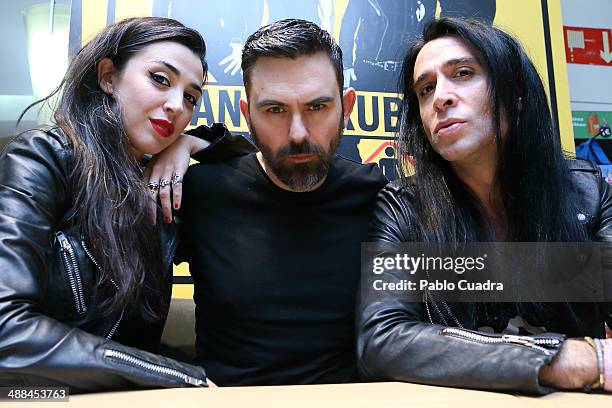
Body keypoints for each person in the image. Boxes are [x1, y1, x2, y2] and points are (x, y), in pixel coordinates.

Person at [357, 17, 612, 394]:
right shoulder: (403, 208)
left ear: (516, 94)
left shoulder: (586, 192)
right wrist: (563, 358)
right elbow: (383, 338)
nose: (440, 97)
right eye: (425, 89)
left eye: (462, 73)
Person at [0, 17, 234, 392]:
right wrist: (171, 375)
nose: (177, 106)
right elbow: (7, 329)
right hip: (39, 395)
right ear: (108, 76)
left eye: (191, 97)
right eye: (160, 79)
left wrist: (191, 144)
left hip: (132, 396)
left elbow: (261, 172)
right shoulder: (42, 159)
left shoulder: (164, 190)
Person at [153, 19, 387, 386]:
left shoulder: (380, 198)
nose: (297, 134)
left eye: (318, 107)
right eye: (275, 110)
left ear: (347, 106)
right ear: (248, 115)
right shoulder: (199, 192)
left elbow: (489, 280)